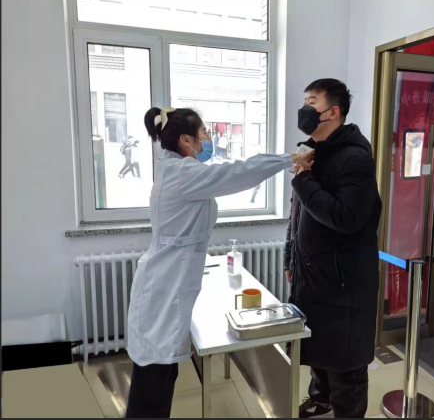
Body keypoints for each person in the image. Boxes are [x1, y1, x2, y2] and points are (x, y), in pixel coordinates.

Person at [125, 107, 314, 418]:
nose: (208, 139)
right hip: (163, 288)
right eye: (204, 133)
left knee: (160, 379)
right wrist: (290, 158)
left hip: (167, 280)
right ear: (186, 139)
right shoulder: (184, 174)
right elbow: (237, 172)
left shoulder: (178, 169)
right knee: (152, 388)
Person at [284, 79, 382, 418]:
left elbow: (345, 217)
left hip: (344, 281)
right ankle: (320, 399)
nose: (305, 109)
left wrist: (303, 179)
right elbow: (298, 212)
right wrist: (289, 256)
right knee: (318, 346)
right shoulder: (311, 151)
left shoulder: (355, 158)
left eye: (312, 102)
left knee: (345, 361)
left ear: (333, 112)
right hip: (312, 272)